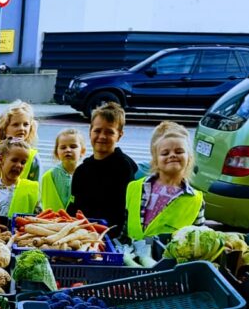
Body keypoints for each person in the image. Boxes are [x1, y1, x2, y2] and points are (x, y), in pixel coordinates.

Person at [125, 121, 204, 241]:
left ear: (189, 158)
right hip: (130, 257)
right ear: (155, 160)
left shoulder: (196, 201)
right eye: (165, 153)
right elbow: (125, 227)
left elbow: (198, 240)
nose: (172, 155)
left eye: (179, 151)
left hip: (170, 260)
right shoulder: (134, 187)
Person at [69, 101, 139, 238]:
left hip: (109, 237)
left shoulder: (124, 168)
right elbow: (73, 208)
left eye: (109, 132)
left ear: (119, 135)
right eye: (97, 130)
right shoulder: (82, 170)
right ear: (90, 132)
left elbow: (124, 212)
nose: (102, 136)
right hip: (79, 234)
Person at [0, 138, 41, 217]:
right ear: (1, 159)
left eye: (23, 162)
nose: (19, 165)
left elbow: (39, 217)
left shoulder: (32, 189)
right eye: (14, 160)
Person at [0, 101, 40, 181]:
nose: (22, 128)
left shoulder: (33, 158)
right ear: (4, 129)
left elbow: (36, 188)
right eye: (15, 124)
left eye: (25, 124)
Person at [40, 129, 87, 212]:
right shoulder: (49, 176)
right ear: (56, 153)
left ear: (82, 151)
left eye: (73, 146)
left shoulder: (86, 174)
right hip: (54, 221)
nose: (68, 150)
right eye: (63, 147)